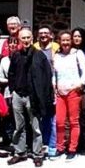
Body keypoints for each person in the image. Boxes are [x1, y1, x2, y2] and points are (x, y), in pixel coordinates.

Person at [7, 27, 54, 167]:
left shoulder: (39, 55)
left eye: (28, 38)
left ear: (32, 39)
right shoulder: (15, 55)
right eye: (23, 38)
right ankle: (19, 153)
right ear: (19, 40)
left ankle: (37, 154)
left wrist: (45, 96)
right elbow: (11, 74)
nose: (26, 40)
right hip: (18, 95)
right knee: (18, 127)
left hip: (33, 97)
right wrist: (13, 89)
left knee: (36, 128)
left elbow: (47, 76)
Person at [52, 31, 85, 160]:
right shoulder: (57, 56)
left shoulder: (77, 54)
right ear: (59, 42)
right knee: (59, 122)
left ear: (71, 41)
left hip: (73, 91)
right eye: (63, 40)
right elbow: (54, 73)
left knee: (74, 121)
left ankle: (72, 149)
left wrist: (80, 83)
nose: (66, 43)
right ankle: (60, 147)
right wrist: (54, 85)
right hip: (60, 93)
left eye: (68, 40)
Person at [33, 26, 58, 159]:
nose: (43, 35)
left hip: (53, 87)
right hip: (39, 89)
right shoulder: (34, 48)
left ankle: (53, 145)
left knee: (53, 118)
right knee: (42, 118)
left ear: (51, 35)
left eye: (46, 33)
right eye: (41, 33)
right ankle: (43, 143)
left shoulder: (56, 48)